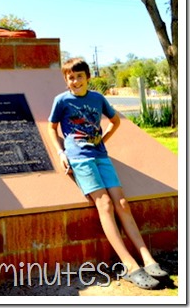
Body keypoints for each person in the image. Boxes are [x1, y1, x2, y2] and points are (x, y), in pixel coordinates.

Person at [47, 57, 169, 290]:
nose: (75, 81)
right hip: (80, 159)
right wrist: (61, 152)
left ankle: (148, 259)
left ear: (87, 77)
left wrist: (103, 140)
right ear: (66, 80)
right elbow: (51, 127)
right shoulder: (61, 101)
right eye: (70, 78)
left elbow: (115, 121)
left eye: (79, 76)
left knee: (122, 203)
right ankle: (130, 265)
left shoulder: (98, 99)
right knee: (104, 204)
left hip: (101, 156)